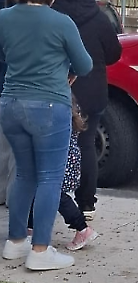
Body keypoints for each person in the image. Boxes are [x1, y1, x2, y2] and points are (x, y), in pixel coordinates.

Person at [0, 0, 92, 270]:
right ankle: (40, 249)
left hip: (11, 103)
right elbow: (85, 65)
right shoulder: (61, 22)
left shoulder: (4, 18)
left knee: (24, 174)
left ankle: (15, 242)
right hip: (50, 107)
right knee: (49, 178)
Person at [52, 0, 121, 220]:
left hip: (59, 91)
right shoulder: (98, 15)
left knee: (52, 148)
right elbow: (115, 53)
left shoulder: (53, 13)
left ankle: (55, 199)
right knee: (86, 145)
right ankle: (86, 203)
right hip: (92, 92)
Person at [28, 96, 99, 251]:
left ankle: (83, 229)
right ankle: (30, 230)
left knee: (56, 195)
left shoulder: (52, 110)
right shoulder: (69, 106)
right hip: (68, 158)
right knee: (41, 193)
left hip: (58, 160)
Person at [0, 0, 19, 206]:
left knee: (3, 147)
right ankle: (13, 198)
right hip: (15, 91)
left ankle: (2, 192)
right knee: (17, 153)